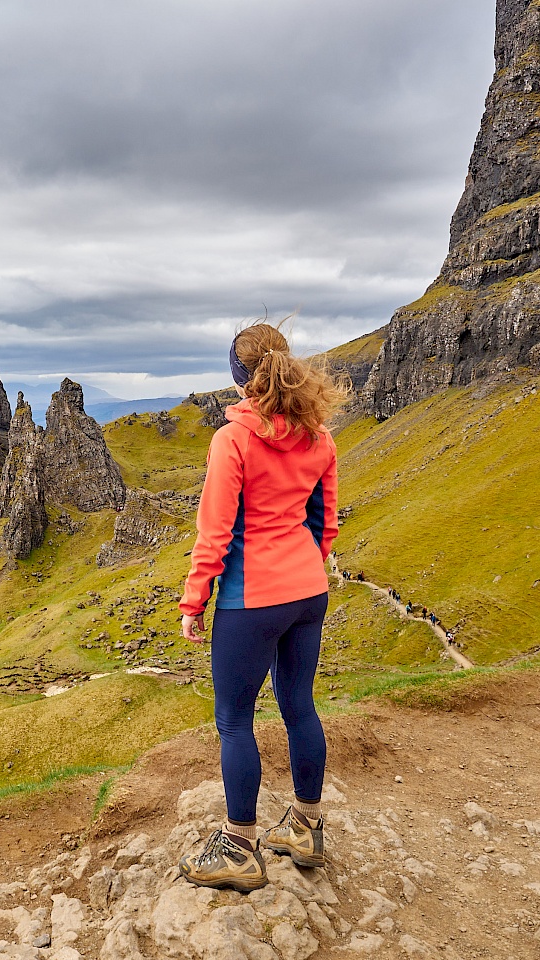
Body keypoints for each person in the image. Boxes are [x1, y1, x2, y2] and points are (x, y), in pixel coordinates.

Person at [177, 321, 347, 892]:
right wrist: (308, 565)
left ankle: (240, 845)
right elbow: (326, 521)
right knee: (299, 705)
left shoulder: (234, 440)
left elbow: (215, 531)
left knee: (234, 719)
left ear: (239, 376)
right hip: (309, 590)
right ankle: (305, 827)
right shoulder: (318, 435)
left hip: (254, 598)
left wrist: (194, 600)